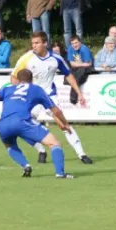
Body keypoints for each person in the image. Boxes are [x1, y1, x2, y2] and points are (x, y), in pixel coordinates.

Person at [12, 31, 93, 164]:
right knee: (21, 126)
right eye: (32, 43)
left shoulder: (56, 58)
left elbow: (68, 74)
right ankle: (41, 150)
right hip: (31, 97)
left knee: (63, 123)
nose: (34, 46)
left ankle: (81, 154)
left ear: (45, 43)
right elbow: (14, 77)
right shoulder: (26, 58)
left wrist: (79, 93)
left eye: (37, 43)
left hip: (49, 96)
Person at [0, 69, 75, 179]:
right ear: (32, 79)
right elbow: (56, 111)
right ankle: (60, 173)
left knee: (10, 145)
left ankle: (25, 165)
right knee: (54, 143)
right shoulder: (36, 89)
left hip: (3, 124)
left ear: (17, 80)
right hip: (22, 121)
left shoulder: (9, 88)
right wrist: (65, 123)